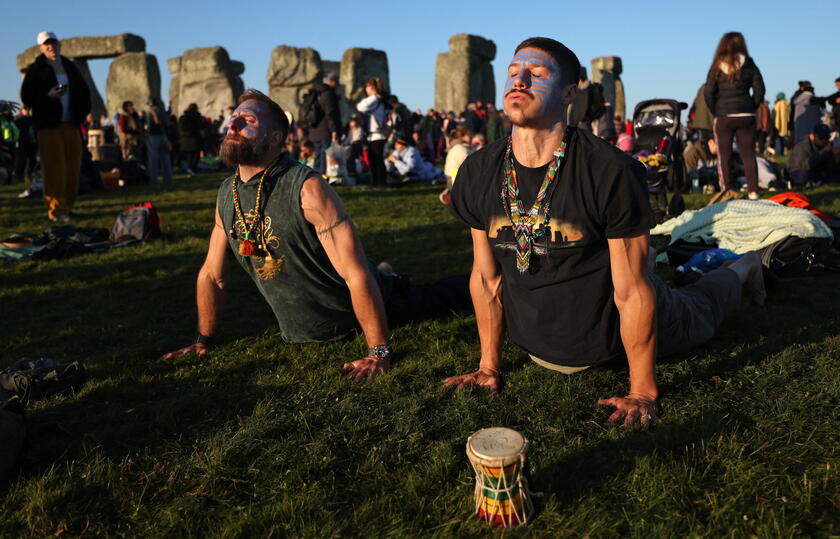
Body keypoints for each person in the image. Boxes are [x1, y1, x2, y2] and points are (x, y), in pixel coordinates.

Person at [443, 36, 767, 428]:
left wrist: (642, 391)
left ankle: (745, 268)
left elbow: (632, 290)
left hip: (613, 339)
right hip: (536, 345)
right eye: (513, 73)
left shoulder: (608, 170)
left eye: (536, 73)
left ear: (568, 92)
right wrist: (488, 367)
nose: (520, 80)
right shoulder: (478, 172)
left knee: (703, 308)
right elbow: (485, 277)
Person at [160, 89, 469, 379]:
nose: (234, 123)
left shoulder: (307, 188)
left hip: (365, 310)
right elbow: (213, 275)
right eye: (235, 117)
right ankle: (386, 271)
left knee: (443, 295)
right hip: (306, 329)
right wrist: (202, 340)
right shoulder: (227, 193)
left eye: (249, 120)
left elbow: (355, 273)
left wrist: (378, 351)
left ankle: (490, 282)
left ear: (275, 137)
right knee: (377, 271)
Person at [20, 31, 91, 221]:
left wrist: (82, 113)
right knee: (54, 168)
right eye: (46, 45)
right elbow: (26, 97)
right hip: (49, 125)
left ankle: (67, 206)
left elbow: (84, 91)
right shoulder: (36, 69)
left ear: (59, 45)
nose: (51, 47)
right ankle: (56, 210)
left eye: (53, 43)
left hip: (71, 123)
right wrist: (47, 96)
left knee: (72, 167)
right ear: (41, 48)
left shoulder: (70, 66)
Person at [704, 31, 765, 200]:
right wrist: (751, 105)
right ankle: (753, 191)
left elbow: (708, 91)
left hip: (724, 115)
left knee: (724, 155)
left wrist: (715, 109)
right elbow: (760, 89)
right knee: (748, 154)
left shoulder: (717, 65)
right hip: (746, 113)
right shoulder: (749, 64)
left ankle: (727, 190)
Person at [307, 73, 342, 174]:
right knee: (324, 156)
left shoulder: (315, 92)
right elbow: (330, 114)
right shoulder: (328, 93)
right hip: (325, 130)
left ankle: (316, 178)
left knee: (318, 156)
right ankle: (321, 179)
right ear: (332, 81)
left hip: (314, 129)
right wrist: (334, 130)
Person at [356, 77, 388, 187]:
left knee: (377, 159)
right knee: (374, 159)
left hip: (377, 135)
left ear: (371, 87)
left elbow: (360, 107)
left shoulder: (374, 99)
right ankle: (376, 182)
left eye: (367, 87)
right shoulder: (379, 99)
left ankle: (380, 182)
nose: (366, 89)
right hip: (374, 135)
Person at [145, 98, 173, 186]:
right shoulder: (162, 111)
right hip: (163, 136)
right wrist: (169, 106)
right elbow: (169, 113)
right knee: (165, 159)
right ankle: (168, 180)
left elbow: (149, 125)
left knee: (153, 161)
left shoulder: (150, 112)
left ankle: (154, 182)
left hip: (153, 137)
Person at [179, 103, 203, 175]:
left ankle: (190, 168)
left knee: (189, 155)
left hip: (185, 138)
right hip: (194, 137)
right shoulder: (197, 116)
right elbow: (200, 125)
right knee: (196, 155)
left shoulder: (183, 117)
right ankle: (192, 168)